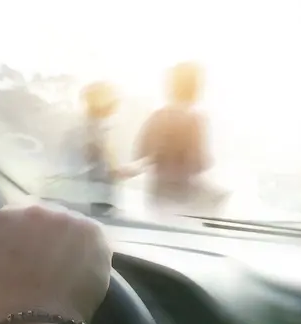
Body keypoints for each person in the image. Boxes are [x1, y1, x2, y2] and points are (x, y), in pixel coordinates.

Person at [134, 62, 225, 213]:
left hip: (158, 191)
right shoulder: (195, 119)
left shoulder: (157, 117)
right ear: (196, 88)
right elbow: (199, 162)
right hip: (185, 195)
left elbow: (141, 153)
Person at [59, 81, 145, 217]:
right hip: (93, 211)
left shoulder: (86, 131)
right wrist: (139, 167)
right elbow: (105, 174)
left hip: (87, 208)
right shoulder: (93, 134)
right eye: (113, 100)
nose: (117, 104)